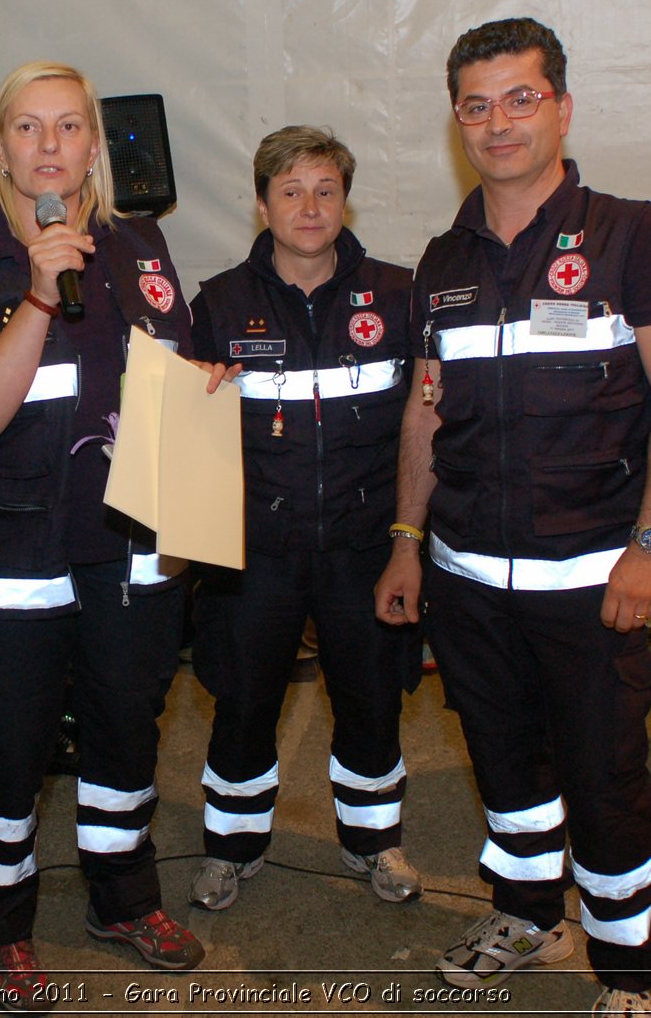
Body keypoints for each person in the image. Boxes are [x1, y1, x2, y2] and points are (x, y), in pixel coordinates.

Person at [374, 18, 651, 1015]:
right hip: (469, 581)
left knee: (605, 777)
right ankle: (526, 911)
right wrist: (404, 538)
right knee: (503, 759)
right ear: (456, 122)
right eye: (475, 104)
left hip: (593, 577)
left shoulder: (633, 235)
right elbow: (426, 411)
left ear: (561, 105)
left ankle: (628, 971)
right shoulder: (441, 262)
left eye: (520, 97)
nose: (497, 122)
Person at [0, 61, 207, 1011]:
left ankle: (123, 900)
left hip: (130, 543)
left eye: (69, 127)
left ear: (95, 145)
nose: (50, 148)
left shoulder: (142, 246)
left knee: (127, 734)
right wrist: (41, 296)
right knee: (7, 751)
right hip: (6, 559)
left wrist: (199, 390)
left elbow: (165, 375)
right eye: (28, 129)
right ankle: (1, 929)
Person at [187, 126, 421, 912]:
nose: (309, 207)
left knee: (372, 699)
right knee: (244, 702)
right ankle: (231, 849)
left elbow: (430, 425)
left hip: (365, 544)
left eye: (325, 189)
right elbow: (187, 432)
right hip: (255, 550)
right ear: (261, 205)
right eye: (290, 191)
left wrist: (412, 540)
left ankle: (373, 843)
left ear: (345, 200)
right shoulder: (219, 303)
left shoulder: (398, 294)